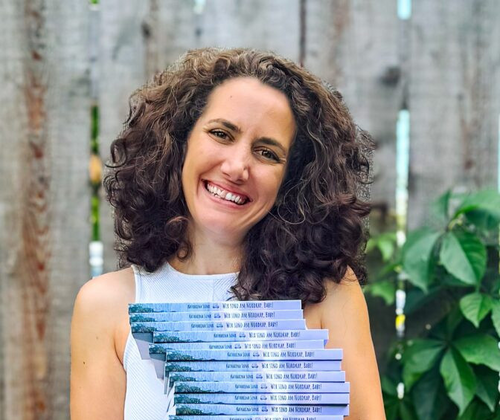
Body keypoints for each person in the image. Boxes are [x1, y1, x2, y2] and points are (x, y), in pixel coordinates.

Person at [70, 47, 385, 420]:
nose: (237, 167)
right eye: (221, 134)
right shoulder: (104, 306)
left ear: (291, 181)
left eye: (267, 153)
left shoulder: (328, 295)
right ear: (179, 142)